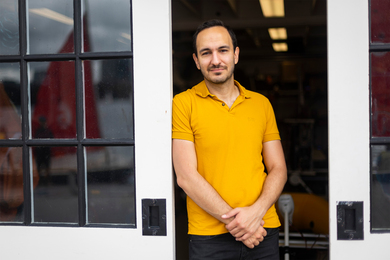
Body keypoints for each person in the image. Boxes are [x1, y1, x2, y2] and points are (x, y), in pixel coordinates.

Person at [172, 19, 287, 260]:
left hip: (262, 228)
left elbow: (278, 169)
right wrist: (240, 224)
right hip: (209, 237)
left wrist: (255, 214)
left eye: (222, 50)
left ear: (235, 54)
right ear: (196, 60)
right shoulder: (183, 104)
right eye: (206, 53)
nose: (215, 60)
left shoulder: (261, 104)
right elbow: (185, 177)